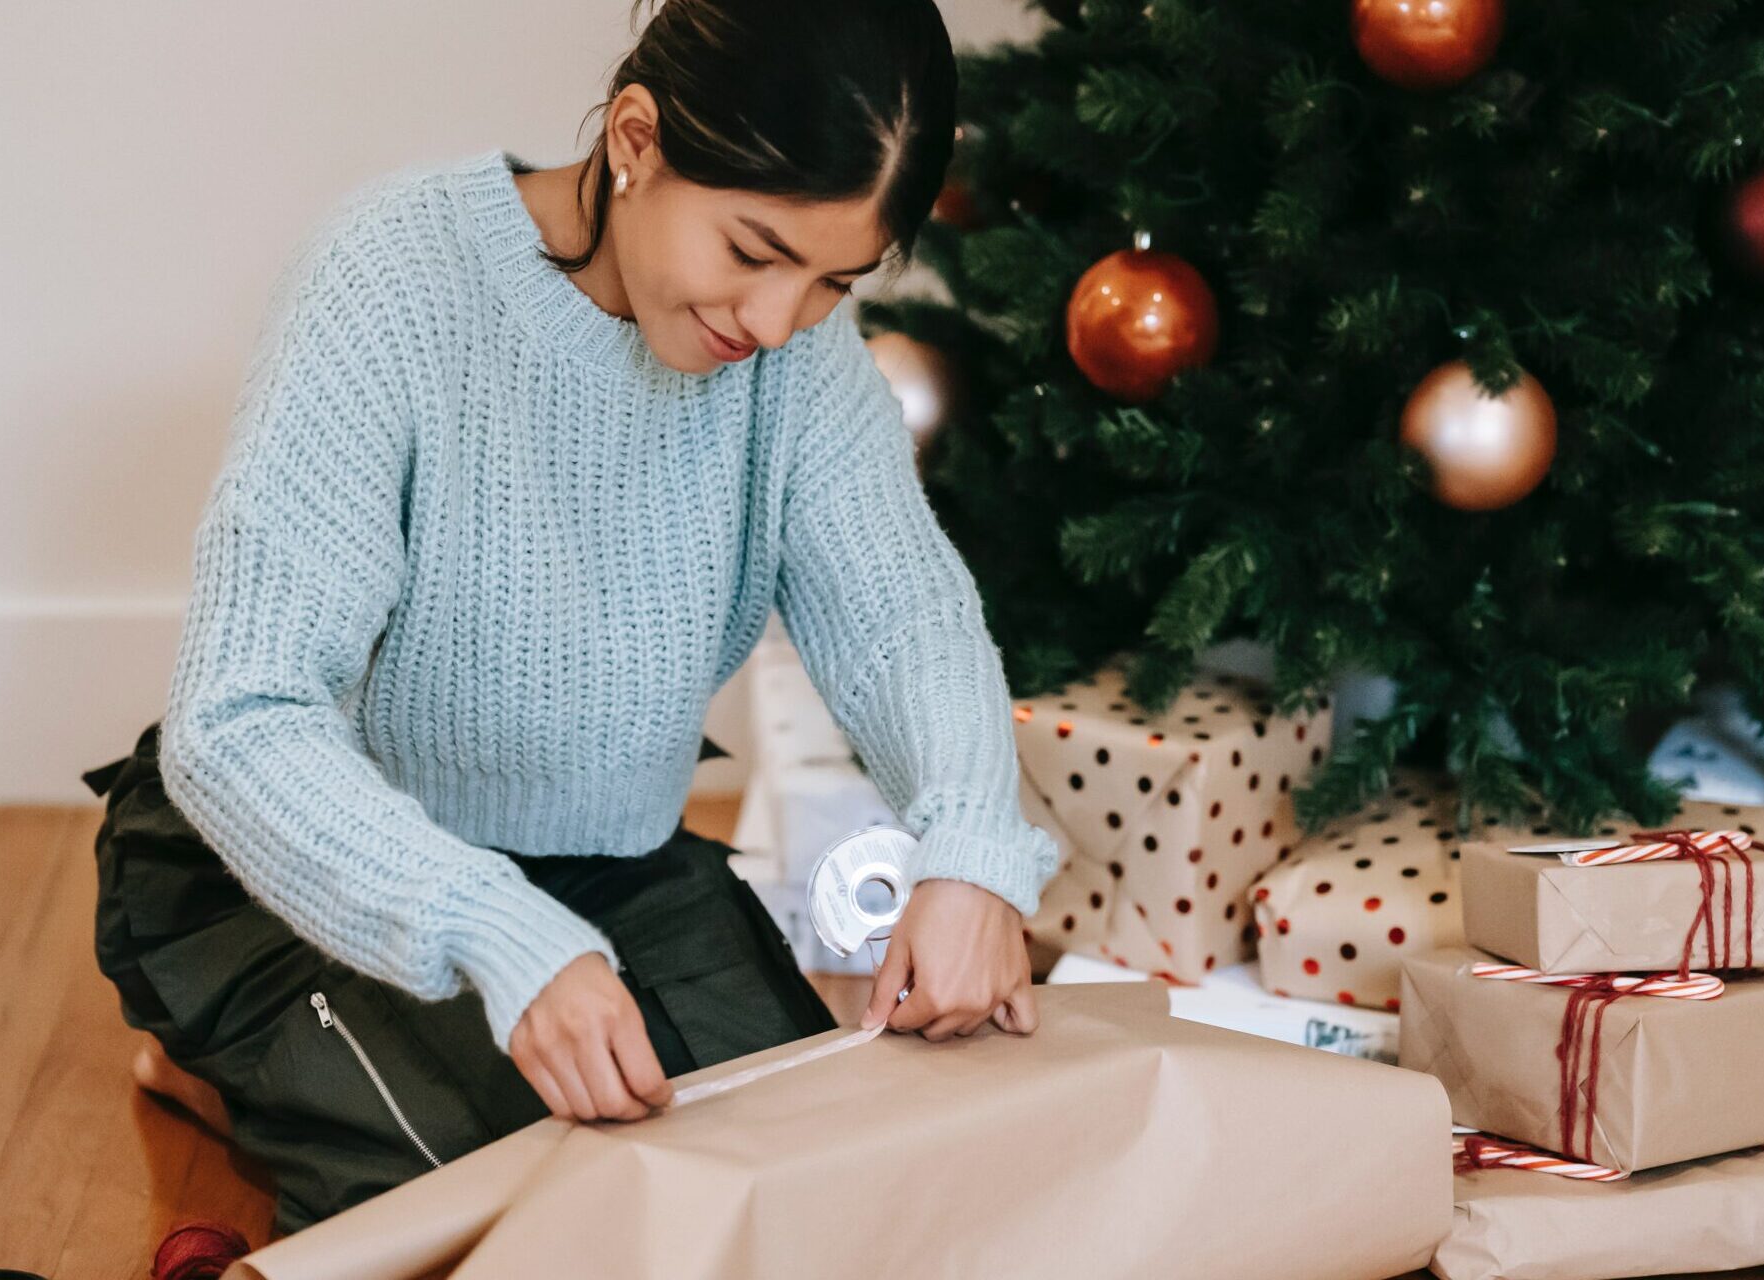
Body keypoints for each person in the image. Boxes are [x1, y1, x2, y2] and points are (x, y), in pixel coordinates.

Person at [83, 0, 1059, 1238]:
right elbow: (239, 718)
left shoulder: (795, 352)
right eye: (753, 249)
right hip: (287, 862)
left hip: (609, 858)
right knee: (537, 1214)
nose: (774, 322)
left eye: (832, 281)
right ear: (637, 140)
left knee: (806, 1171)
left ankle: (312, 1069)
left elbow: (904, 614)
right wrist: (499, 931)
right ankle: (229, 1052)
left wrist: (972, 844)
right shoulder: (389, 277)